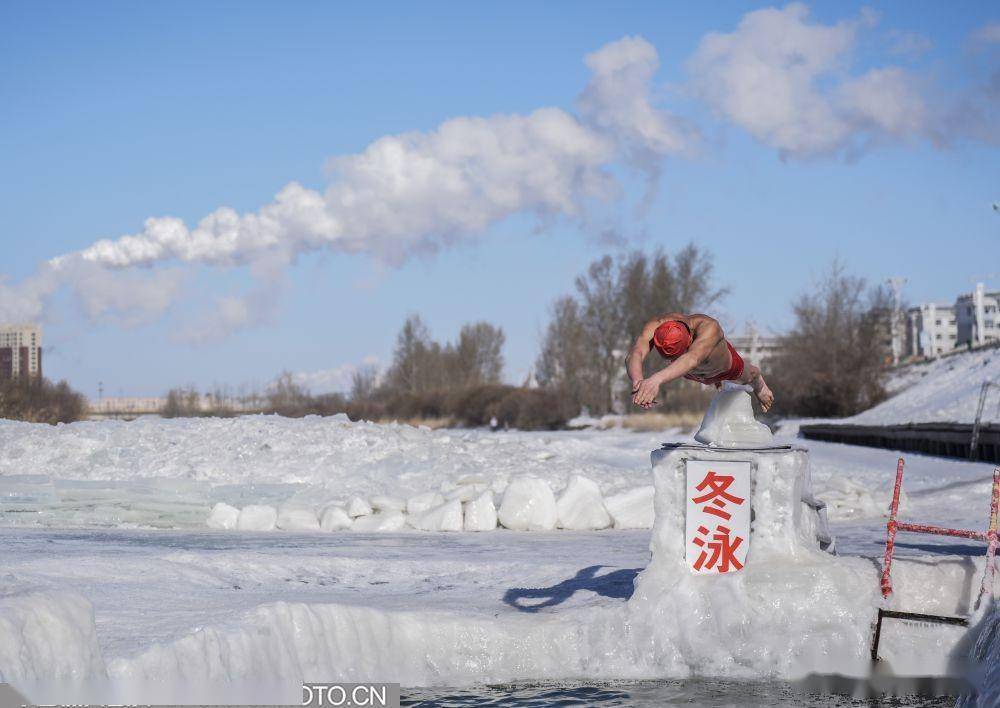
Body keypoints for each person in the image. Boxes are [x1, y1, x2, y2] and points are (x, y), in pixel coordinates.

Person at [625, 312, 774, 412]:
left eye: (679, 354)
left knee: (752, 374)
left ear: (690, 338)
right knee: (685, 365)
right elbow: (635, 353)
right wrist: (638, 382)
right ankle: (715, 382)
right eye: (673, 357)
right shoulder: (656, 326)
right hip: (689, 373)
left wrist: (656, 380)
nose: (675, 358)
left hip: (724, 369)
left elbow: (693, 358)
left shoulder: (709, 327)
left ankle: (760, 387)